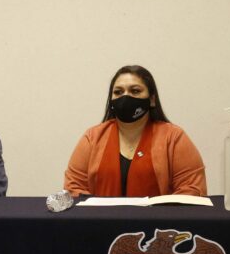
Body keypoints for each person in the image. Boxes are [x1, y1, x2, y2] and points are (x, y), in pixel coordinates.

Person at [64, 65, 206, 197]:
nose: (125, 97)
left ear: (151, 99)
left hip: (158, 223)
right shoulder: (92, 137)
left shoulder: (173, 137)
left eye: (135, 91)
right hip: (102, 222)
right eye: (118, 92)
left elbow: (192, 189)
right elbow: (74, 188)